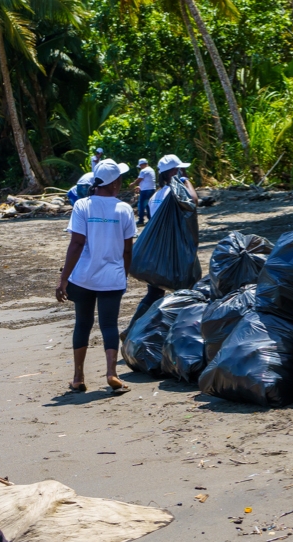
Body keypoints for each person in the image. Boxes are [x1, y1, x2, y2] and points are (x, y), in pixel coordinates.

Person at [56, 159, 135, 394]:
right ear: (114, 184)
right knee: (109, 324)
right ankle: (112, 373)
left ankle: (78, 378)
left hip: (83, 277)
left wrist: (64, 278)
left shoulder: (82, 205)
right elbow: (128, 249)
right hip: (112, 277)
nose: (121, 182)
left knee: (83, 323)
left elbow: (77, 243)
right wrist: (124, 273)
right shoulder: (124, 209)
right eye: (120, 179)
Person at [125, 155, 200, 335]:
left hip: (156, 255)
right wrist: (185, 179)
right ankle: (181, 334)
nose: (184, 172)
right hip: (175, 254)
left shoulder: (155, 196)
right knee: (187, 290)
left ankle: (132, 329)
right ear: (174, 172)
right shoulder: (176, 191)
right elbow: (193, 201)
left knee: (154, 293)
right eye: (181, 169)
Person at [129, 158, 157, 226]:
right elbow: (147, 181)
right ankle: (150, 219)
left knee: (141, 205)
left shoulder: (143, 171)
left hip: (145, 191)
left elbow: (139, 179)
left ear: (142, 164)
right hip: (151, 189)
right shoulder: (151, 170)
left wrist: (133, 184)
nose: (140, 167)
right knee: (148, 205)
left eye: (140, 166)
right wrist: (140, 187)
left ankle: (141, 220)